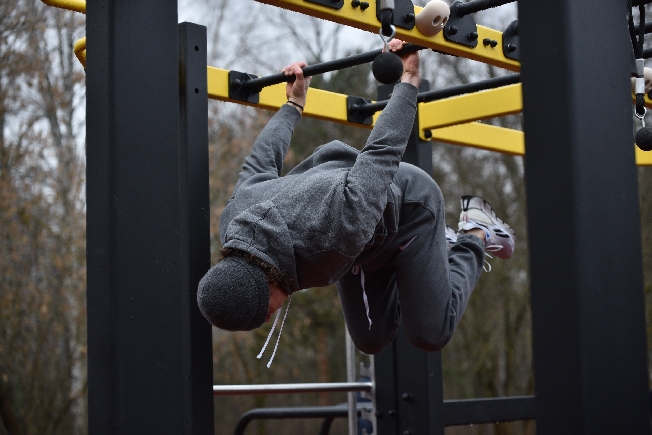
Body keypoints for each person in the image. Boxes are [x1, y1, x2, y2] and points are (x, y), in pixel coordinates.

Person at [197, 40, 515, 363]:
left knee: (430, 333)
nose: (269, 319)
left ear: (264, 278)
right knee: (370, 338)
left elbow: (382, 153)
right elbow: (260, 161)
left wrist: (409, 81)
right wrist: (292, 106)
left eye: (264, 311)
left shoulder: (335, 229)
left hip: (408, 211)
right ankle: (433, 255)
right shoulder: (235, 225)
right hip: (362, 241)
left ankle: (473, 232)